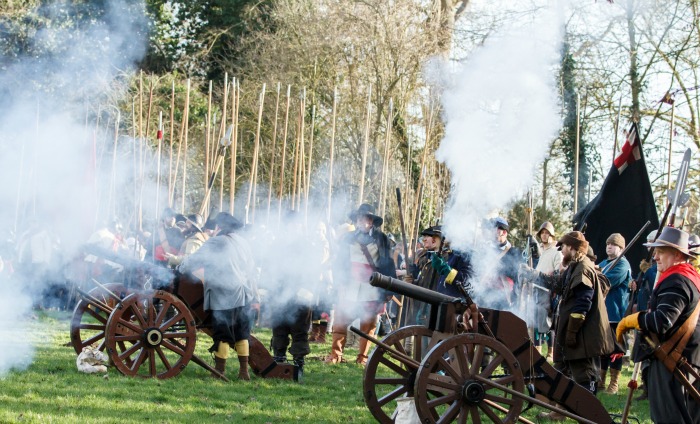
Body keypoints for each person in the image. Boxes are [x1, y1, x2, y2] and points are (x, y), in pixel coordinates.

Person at [520, 231, 614, 421]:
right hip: (574, 333)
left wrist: (571, 333)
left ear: (572, 248)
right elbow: (556, 283)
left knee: (585, 378)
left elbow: (583, 304)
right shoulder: (574, 267)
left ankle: (590, 416)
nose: (561, 251)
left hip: (583, 336)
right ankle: (560, 412)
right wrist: (533, 275)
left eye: (563, 247)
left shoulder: (583, 269)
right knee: (564, 374)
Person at [617, 226, 700, 424]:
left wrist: (634, 319)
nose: (655, 257)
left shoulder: (676, 280)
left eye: (660, 251)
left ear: (678, 254)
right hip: (686, 358)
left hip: (672, 361)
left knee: (668, 419)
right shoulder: (689, 277)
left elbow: (662, 321)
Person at [179, 212, 259, 380]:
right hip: (244, 294)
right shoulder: (243, 242)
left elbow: (195, 260)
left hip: (223, 295)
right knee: (241, 333)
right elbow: (251, 271)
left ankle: (219, 372)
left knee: (222, 333)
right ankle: (244, 372)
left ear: (219, 227)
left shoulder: (217, 241)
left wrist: (181, 267)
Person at [325, 204, 396, 365]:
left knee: (368, 324)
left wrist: (388, 288)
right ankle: (336, 355)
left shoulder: (382, 239)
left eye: (366, 218)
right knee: (340, 321)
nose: (362, 221)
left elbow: (388, 264)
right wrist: (339, 283)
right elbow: (340, 264)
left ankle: (362, 358)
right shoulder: (347, 238)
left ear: (371, 222)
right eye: (359, 218)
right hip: (349, 285)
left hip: (371, 288)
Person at [598, 233, 632, 395]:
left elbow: (606, 281)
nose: (609, 246)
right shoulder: (604, 263)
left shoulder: (623, 265)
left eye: (613, 244)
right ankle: (600, 380)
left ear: (621, 248)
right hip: (603, 313)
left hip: (617, 314)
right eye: (608, 244)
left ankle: (614, 384)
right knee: (603, 349)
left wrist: (595, 273)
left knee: (616, 350)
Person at [533, 221, 563, 362]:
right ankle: (537, 350)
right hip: (538, 289)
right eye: (542, 233)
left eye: (547, 233)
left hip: (549, 290)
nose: (544, 236)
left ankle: (550, 352)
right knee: (536, 321)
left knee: (549, 322)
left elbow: (558, 270)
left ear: (551, 234)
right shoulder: (541, 250)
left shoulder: (557, 251)